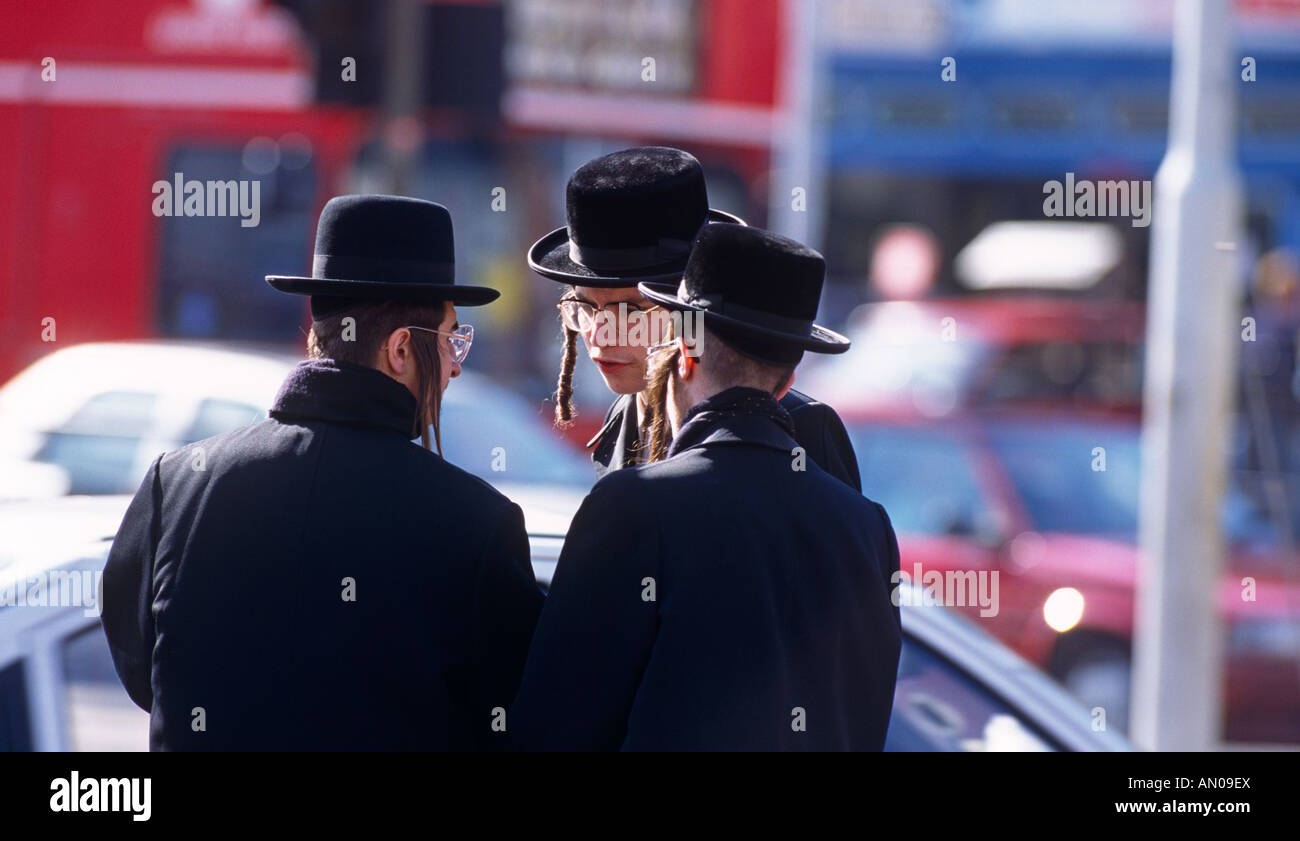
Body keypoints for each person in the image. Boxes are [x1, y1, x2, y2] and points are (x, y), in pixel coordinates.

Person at [101, 195, 543, 751]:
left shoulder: (181, 483)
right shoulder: (477, 523)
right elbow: (516, 715)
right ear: (401, 349)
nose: (456, 364)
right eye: (453, 339)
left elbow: (145, 673)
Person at [510, 223, 902, 750]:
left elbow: (554, 725)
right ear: (786, 380)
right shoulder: (867, 526)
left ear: (684, 352)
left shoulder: (636, 507)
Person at [527, 145, 863, 490]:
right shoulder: (623, 415)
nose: (599, 335)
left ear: (687, 306)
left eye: (629, 310)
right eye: (583, 306)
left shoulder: (799, 428)